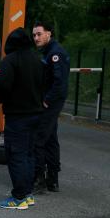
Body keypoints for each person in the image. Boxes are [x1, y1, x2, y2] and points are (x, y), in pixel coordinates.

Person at [0, 28, 45, 209]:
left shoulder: (10, 61)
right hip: (36, 115)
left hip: (17, 117)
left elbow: (4, 86)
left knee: (16, 155)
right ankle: (28, 193)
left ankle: (18, 197)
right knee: (29, 154)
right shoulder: (38, 60)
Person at [32, 21, 70, 193]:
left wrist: (47, 100)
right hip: (50, 101)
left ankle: (39, 179)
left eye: (39, 34)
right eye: (34, 35)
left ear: (49, 34)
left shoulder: (55, 54)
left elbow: (59, 82)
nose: (36, 38)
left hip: (51, 102)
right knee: (51, 138)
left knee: (39, 138)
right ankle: (52, 179)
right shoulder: (48, 51)